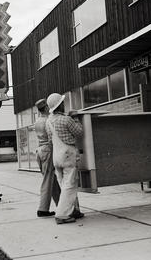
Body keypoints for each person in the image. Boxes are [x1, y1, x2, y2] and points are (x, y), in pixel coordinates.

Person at [46, 93, 84, 224]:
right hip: (67, 155)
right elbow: (79, 132)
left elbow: (50, 140)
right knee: (70, 185)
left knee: (64, 186)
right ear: (59, 105)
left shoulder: (48, 121)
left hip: (56, 156)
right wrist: (76, 118)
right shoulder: (66, 120)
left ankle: (73, 210)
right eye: (62, 102)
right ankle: (62, 215)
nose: (64, 104)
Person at [34, 98, 61, 217]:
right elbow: (51, 138)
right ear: (45, 108)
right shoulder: (47, 121)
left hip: (40, 151)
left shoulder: (37, 121)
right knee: (48, 180)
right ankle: (43, 209)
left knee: (52, 180)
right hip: (48, 150)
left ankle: (61, 206)